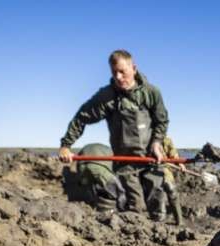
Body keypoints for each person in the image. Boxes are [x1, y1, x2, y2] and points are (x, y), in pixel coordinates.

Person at [58, 50, 168, 213]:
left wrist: (157, 143)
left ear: (134, 69)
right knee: (136, 207)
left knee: (157, 205)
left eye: (122, 72)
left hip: (151, 159)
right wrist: (66, 145)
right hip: (125, 162)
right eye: (114, 72)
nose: (118, 77)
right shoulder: (107, 96)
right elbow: (81, 118)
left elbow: (161, 121)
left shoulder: (151, 93)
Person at [144, 135, 185, 225]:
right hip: (152, 172)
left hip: (166, 171)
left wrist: (180, 163)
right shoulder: (145, 138)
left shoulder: (166, 139)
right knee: (158, 197)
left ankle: (179, 221)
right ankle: (159, 223)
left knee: (173, 193)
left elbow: (173, 154)